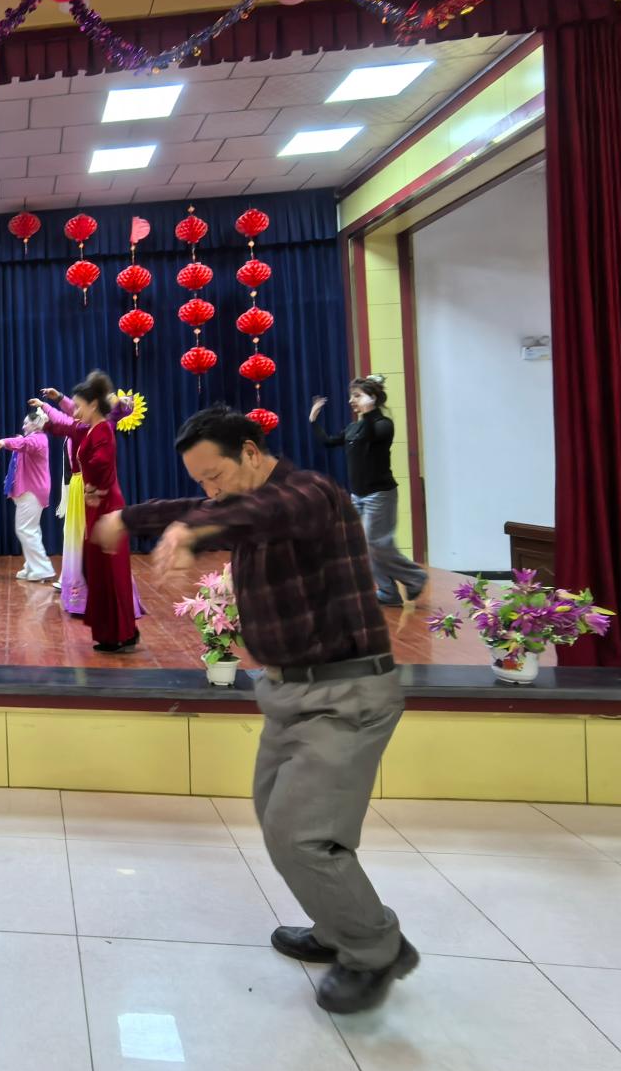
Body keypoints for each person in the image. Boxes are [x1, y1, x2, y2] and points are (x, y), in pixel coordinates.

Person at [94, 405, 414, 1015]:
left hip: (343, 694)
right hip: (291, 692)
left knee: (302, 835)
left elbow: (258, 512)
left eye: (215, 475)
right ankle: (338, 923)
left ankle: (376, 950)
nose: (210, 491)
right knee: (280, 822)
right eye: (201, 481)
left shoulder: (309, 495)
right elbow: (204, 509)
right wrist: (127, 519)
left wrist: (191, 533)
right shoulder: (241, 501)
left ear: (250, 450)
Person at [40, 372, 137, 651]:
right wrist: (47, 424)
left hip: (106, 507)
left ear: (93, 405)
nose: (75, 411)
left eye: (79, 406)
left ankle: (119, 633)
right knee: (99, 570)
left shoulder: (103, 428)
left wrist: (94, 487)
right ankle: (120, 630)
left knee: (109, 571)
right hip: (96, 504)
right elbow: (69, 430)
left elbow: (102, 462)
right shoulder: (91, 428)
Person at [311, 377, 427, 608]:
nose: (351, 400)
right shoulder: (353, 427)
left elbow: (371, 434)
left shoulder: (383, 424)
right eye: (351, 396)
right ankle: (388, 591)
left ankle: (415, 577)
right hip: (358, 495)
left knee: (376, 543)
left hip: (379, 494)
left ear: (372, 398)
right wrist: (313, 420)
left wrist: (369, 409)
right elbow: (328, 442)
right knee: (364, 545)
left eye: (357, 396)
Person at [0, 406, 55, 581]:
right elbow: (24, 444)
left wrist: (5, 442)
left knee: (26, 529)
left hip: (32, 490)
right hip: (31, 489)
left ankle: (43, 569)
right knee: (30, 529)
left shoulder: (38, 439)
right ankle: (32, 566)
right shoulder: (36, 439)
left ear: (36, 424)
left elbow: (25, 444)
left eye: (26, 423)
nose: (23, 426)